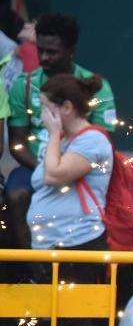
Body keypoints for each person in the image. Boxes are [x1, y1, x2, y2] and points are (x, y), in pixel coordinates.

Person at [24, 73, 112, 326]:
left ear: (66, 107)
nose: (40, 114)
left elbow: (54, 175)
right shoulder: (61, 139)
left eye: (46, 106)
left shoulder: (92, 142)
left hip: (78, 245)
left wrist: (55, 134)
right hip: (52, 245)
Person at [7, 13, 117, 253]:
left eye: (52, 52)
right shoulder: (23, 85)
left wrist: (62, 167)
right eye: (41, 50)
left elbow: (106, 140)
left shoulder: (95, 85)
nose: (44, 57)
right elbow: (16, 143)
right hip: (35, 164)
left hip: (81, 166)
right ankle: (30, 267)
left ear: (71, 50)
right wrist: (46, 167)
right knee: (16, 194)